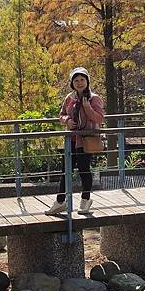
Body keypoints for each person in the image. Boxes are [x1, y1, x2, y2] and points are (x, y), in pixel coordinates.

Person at [45, 67, 105, 215]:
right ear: (72, 83)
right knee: (66, 171)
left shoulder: (94, 98)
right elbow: (62, 115)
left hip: (86, 140)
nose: (79, 83)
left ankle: (85, 200)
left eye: (82, 80)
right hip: (71, 139)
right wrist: (68, 120)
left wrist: (87, 107)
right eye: (76, 80)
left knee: (84, 170)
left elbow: (99, 118)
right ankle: (60, 202)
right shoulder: (69, 98)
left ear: (87, 81)